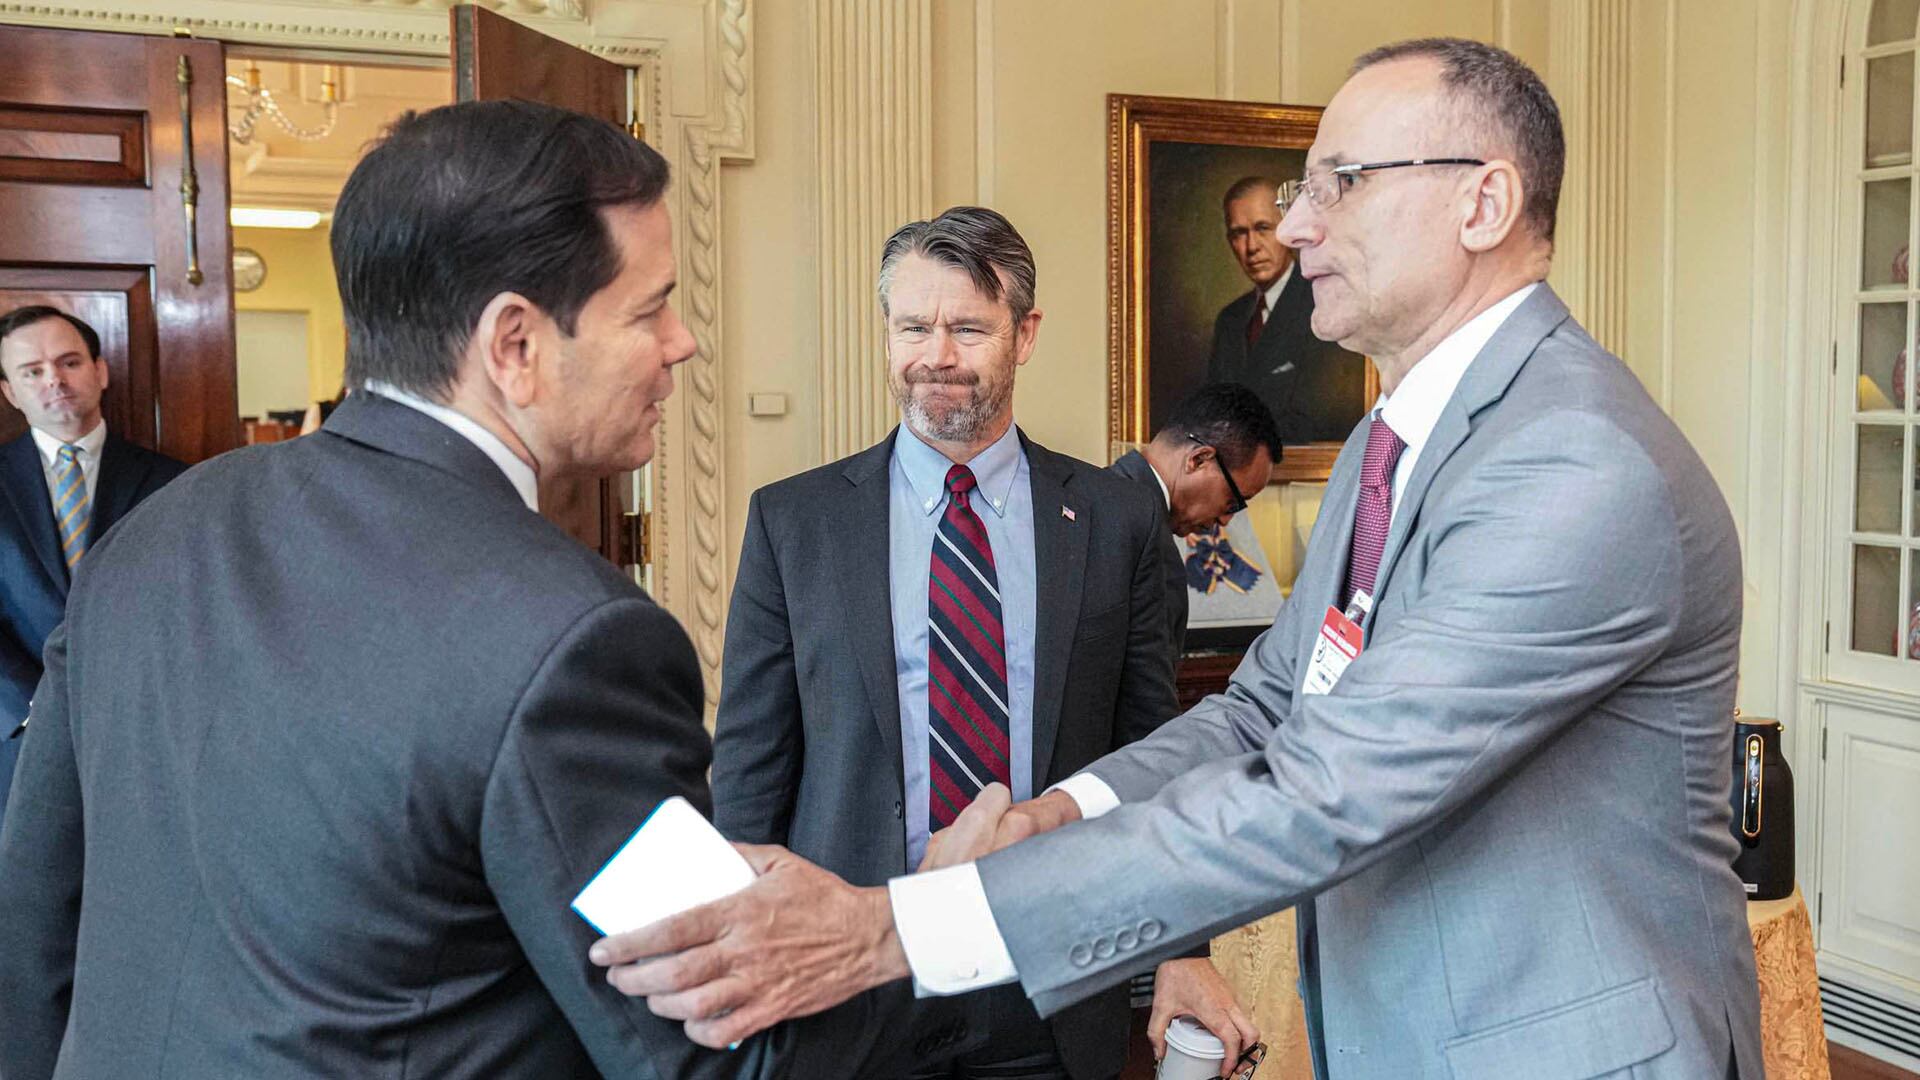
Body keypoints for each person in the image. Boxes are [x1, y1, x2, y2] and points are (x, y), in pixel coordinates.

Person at [592, 37, 1765, 1080]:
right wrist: (1062, 810)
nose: (1297, 225)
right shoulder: (1389, 441)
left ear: (1485, 202)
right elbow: (1263, 714)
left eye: (1339, 184)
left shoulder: (1572, 464)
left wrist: (891, 929)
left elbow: (1322, 791)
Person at [0, 100, 963, 1080]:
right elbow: (719, 1059)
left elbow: (34, 922)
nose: (682, 343)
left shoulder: (149, 534)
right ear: (516, 347)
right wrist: (921, 918)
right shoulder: (573, 644)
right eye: (651, 308)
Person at [710, 205, 1250, 1080]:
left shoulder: (1114, 522)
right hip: (850, 978)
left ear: (1025, 334)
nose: (938, 357)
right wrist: (732, 950)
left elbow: (1151, 754)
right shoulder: (795, 522)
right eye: (913, 326)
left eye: (968, 328)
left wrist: (1183, 948)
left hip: (1054, 977)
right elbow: (750, 767)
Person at [0, 306, 186, 831]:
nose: (54, 380)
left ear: (100, 371)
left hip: (145, 741)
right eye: (31, 371)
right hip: (20, 743)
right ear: (10, 391)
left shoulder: (175, 482)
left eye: (69, 362)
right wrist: (36, 711)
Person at [1109, 383, 1281, 656]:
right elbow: (1146, 690)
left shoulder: (1099, 499)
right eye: (1233, 501)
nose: (1226, 521)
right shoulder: (1142, 536)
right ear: (1199, 460)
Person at [1205, 176, 1367, 445]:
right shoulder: (1230, 320)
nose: (1252, 247)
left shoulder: (1322, 306)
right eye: (1238, 233)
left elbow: (1323, 419)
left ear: (1287, 228)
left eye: (1263, 228)